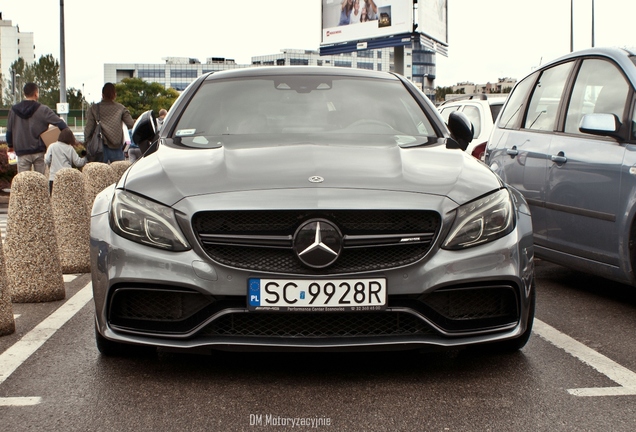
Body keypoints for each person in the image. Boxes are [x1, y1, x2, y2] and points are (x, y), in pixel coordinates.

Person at [6, 82, 68, 174]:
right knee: (41, 182)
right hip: (39, 152)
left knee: (23, 182)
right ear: (36, 93)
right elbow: (61, 124)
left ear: (24, 94)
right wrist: (66, 141)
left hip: (22, 152)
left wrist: (10, 146)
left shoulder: (13, 110)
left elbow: (9, 132)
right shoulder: (43, 109)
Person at [84, 83, 135, 163]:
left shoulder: (94, 108)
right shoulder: (121, 108)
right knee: (118, 172)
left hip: (99, 147)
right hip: (117, 147)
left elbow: (88, 129)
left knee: (100, 172)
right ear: (115, 94)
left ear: (102, 94)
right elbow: (131, 124)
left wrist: (86, 143)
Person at [44, 128, 87, 194]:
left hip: (53, 177)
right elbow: (78, 163)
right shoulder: (70, 148)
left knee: (53, 199)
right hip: (67, 176)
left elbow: (46, 160)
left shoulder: (52, 146)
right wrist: (86, 157)